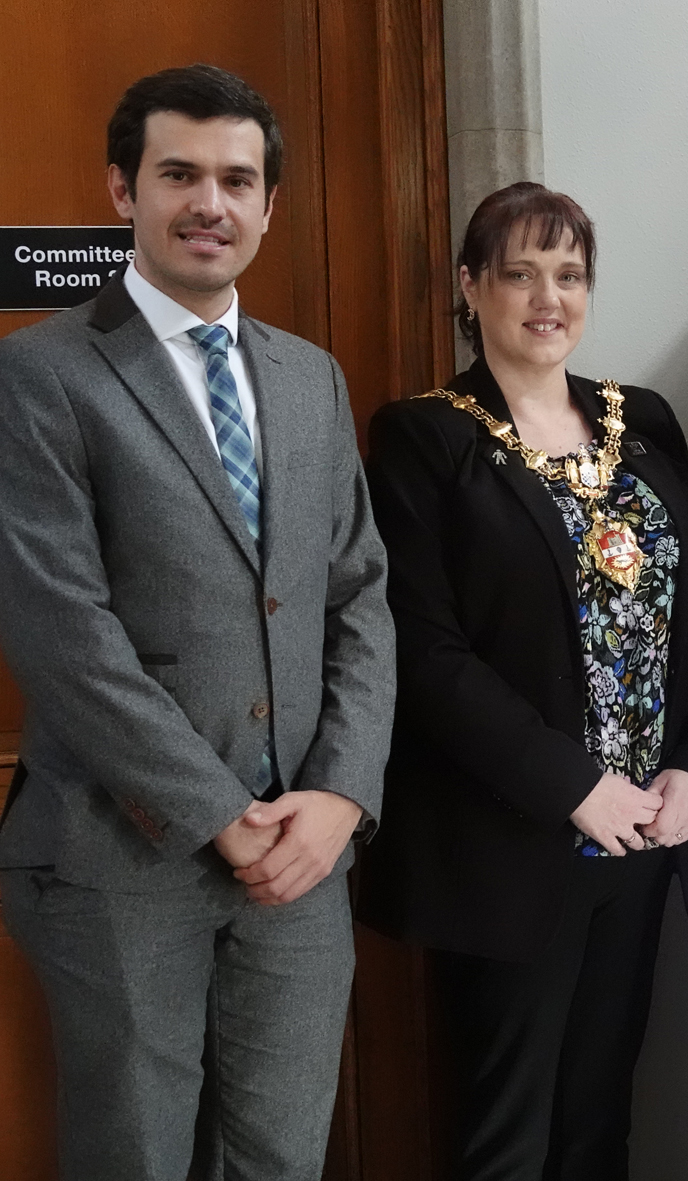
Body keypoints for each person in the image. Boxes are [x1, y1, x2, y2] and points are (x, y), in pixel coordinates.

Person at [0, 65, 395, 1180]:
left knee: (278, 1156)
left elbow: (359, 594)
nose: (209, 203)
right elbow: (61, 632)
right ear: (122, 187)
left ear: (270, 205)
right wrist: (221, 813)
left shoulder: (309, 377)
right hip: (118, 857)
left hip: (303, 864)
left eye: (237, 179)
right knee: (136, 1157)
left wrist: (341, 794)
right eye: (179, 173)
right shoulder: (38, 375)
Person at [357, 181, 688, 1179]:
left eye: (567, 273)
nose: (545, 295)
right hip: (511, 843)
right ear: (471, 287)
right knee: (506, 1139)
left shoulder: (641, 421)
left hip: (646, 831)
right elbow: (424, 653)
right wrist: (574, 785)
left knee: (600, 1123)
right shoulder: (423, 436)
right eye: (518, 272)